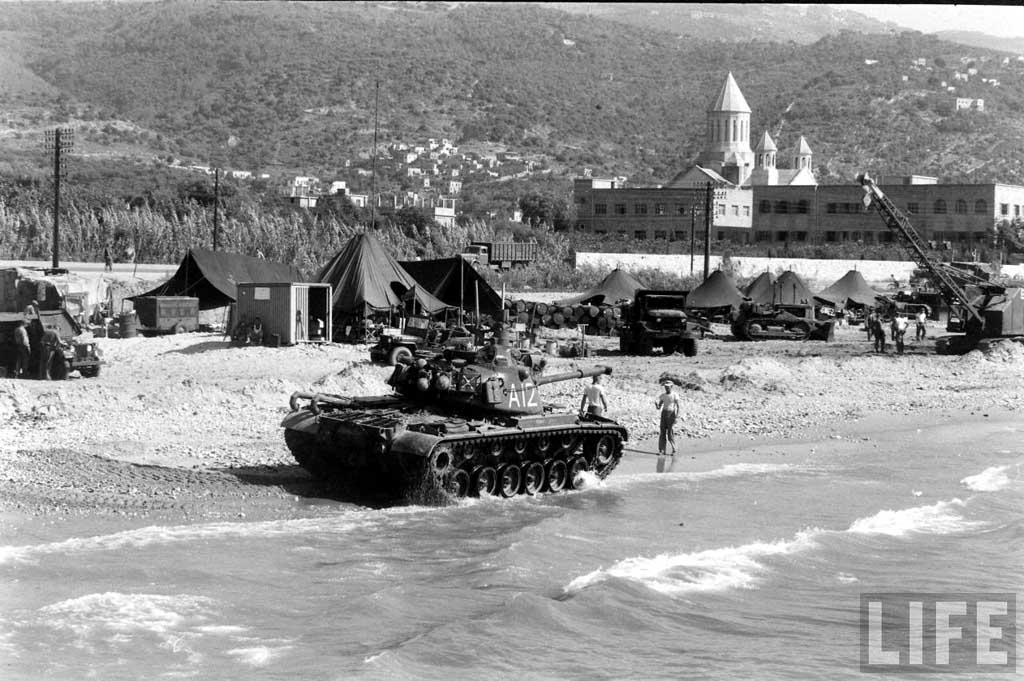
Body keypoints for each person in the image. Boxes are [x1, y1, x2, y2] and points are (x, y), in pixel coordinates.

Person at [655, 380, 679, 457]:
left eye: (668, 387)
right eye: (665, 387)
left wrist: (676, 417)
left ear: (671, 387)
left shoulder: (675, 395)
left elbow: (678, 407)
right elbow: (659, 407)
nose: (666, 388)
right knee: (662, 433)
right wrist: (656, 405)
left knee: (670, 433)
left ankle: (674, 450)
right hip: (664, 413)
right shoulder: (663, 396)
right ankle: (662, 450)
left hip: (671, 414)